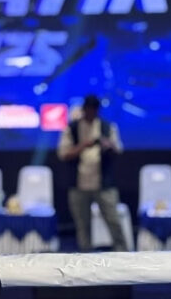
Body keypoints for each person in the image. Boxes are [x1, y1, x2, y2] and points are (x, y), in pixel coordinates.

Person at [57, 95, 128, 252]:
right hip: (79, 185)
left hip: (103, 184)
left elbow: (118, 150)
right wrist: (84, 145)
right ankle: (85, 257)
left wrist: (108, 145)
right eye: (88, 109)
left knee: (114, 221)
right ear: (84, 109)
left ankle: (123, 254)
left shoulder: (107, 127)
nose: (91, 112)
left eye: (94, 110)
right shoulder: (72, 128)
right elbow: (63, 154)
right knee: (82, 226)